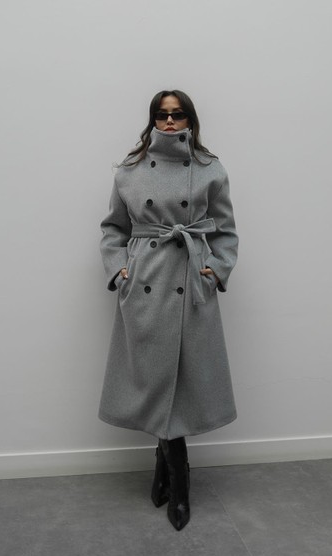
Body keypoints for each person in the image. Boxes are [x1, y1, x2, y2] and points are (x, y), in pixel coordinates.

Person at [98, 89, 239, 531]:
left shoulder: (209, 168)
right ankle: (174, 473)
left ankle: (174, 478)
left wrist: (215, 270)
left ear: (190, 119)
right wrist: (121, 271)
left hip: (191, 285)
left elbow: (225, 231)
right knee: (155, 380)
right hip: (145, 285)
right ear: (153, 120)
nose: (170, 122)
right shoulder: (130, 170)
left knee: (182, 383)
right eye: (162, 115)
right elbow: (113, 229)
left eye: (178, 114)